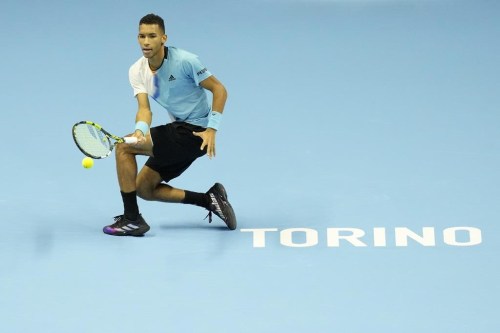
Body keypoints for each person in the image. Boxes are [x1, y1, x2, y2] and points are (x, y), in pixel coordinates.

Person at [103, 13, 236, 236]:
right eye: (141, 36)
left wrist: (213, 128)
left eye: (152, 36)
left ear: (163, 38)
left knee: (123, 148)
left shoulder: (185, 61)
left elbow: (219, 89)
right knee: (145, 188)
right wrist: (140, 131)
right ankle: (209, 199)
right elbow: (145, 109)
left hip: (196, 132)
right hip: (179, 131)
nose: (146, 41)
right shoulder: (137, 70)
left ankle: (132, 219)